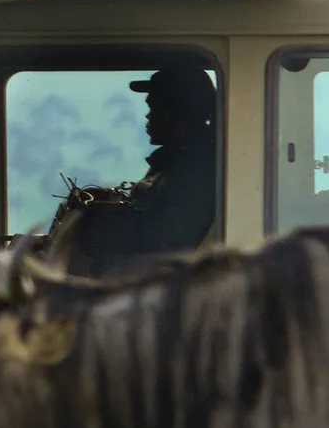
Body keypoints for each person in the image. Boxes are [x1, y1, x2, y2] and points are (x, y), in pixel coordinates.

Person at [61, 66, 219, 273]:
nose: (147, 117)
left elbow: (166, 241)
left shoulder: (195, 169)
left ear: (173, 113)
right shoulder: (176, 160)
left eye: (153, 108)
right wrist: (113, 205)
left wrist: (94, 219)